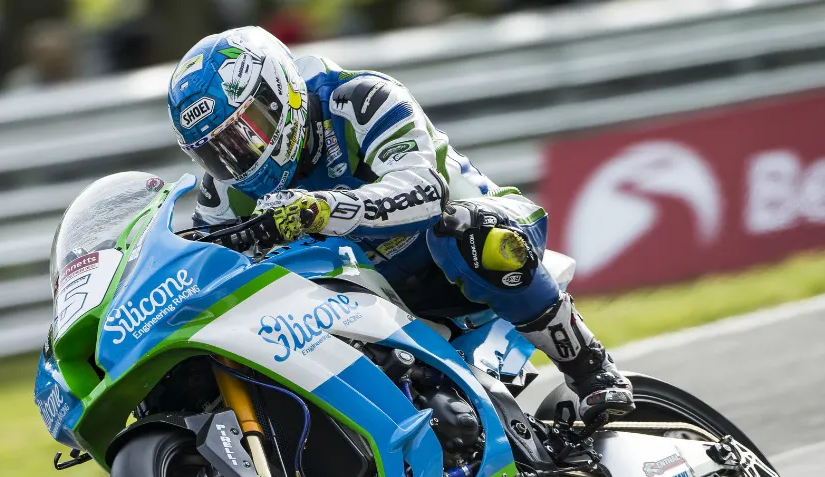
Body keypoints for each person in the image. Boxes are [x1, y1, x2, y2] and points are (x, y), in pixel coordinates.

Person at [167, 26, 633, 422]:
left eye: (249, 129)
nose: (241, 156)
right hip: (369, 299)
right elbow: (198, 267)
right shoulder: (223, 192)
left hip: (463, 248)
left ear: (281, 91)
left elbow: (426, 192)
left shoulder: (358, 98)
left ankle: (590, 366)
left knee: (471, 234)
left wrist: (324, 209)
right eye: (219, 151)